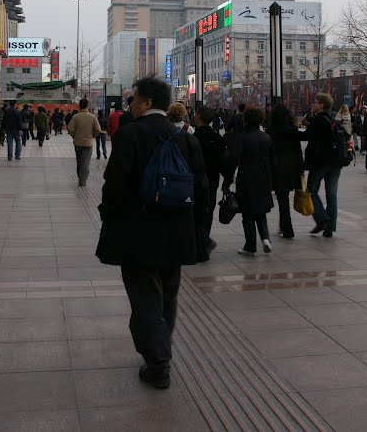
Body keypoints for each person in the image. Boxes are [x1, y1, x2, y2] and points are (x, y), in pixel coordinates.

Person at [95, 77, 208, 390]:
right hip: (178, 232)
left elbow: (114, 185)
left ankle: (158, 363)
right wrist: (198, 231)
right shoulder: (186, 137)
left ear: (145, 102)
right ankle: (160, 352)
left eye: (134, 99)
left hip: (139, 233)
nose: (130, 104)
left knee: (145, 298)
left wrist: (108, 216)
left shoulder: (130, 135)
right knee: (167, 297)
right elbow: (201, 188)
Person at [222, 105, 276, 256]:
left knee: (247, 213)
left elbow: (234, 160)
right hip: (263, 177)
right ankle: (265, 238)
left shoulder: (242, 138)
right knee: (261, 210)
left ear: (246, 120)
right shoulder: (266, 138)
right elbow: (273, 161)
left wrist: (227, 181)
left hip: (246, 177)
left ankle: (250, 245)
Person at [304, 92, 341, 238]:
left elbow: (307, 136)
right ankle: (330, 227)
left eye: (315, 102)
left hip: (321, 162)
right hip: (335, 161)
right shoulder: (332, 119)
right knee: (332, 195)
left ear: (322, 105)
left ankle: (322, 219)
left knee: (311, 190)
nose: (313, 104)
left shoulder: (318, 120)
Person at [192, 106, 225, 259]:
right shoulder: (217, 137)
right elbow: (223, 160)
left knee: (195, 212)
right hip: (212, 179)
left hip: (195, 180)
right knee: (208, 211)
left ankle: (201, 243)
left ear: (198, 117)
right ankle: (204, 242)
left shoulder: (193, 137)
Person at [267, 103, 303, 239]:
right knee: (284, 198)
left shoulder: (272, 131)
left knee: (282, 199)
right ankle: (284, 226)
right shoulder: (292, 129)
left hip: (278, 168)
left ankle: (287, 228)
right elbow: (298, 150)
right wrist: (301, 168)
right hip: (291, 167)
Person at [68, 98, 102, 185]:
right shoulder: (92, 117)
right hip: (88, 143)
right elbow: (98, 129)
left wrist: (74, 136)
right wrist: (92, 136)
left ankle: (80, 178)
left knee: (79, 162)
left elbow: (70, 128)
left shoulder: (75, 117)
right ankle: (82, 181)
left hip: (77, 142)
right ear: (87, 106)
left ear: (80, 106)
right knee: (85, 163)